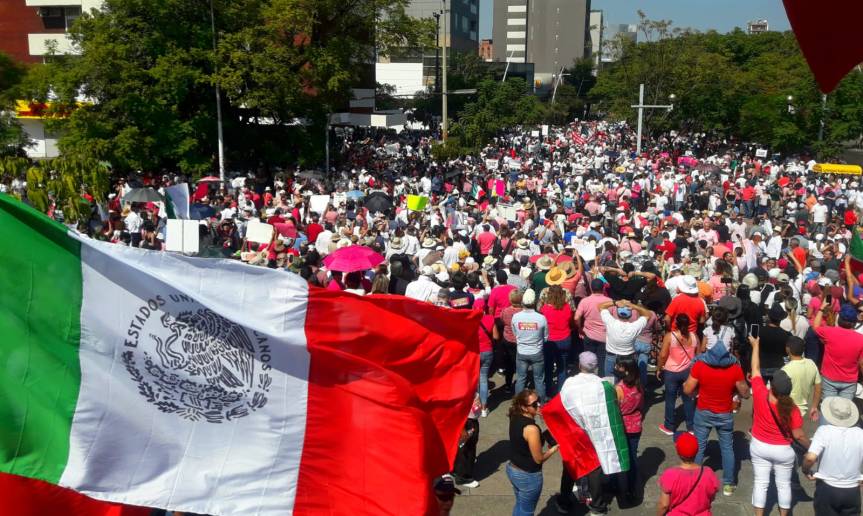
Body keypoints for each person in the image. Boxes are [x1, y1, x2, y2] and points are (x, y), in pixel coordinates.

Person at [748, 335, 810, 516]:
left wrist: (756, 346)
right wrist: (811, 448)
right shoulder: (792, 409)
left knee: (761, 483)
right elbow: (798, 435)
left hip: (759, 445)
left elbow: (756, 369)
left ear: (772, 386)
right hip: (783, 450)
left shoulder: (760, 393)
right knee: (784, 485)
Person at [684, 334, 749, 495]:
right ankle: (728, 483)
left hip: (703, 411)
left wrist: (697, 391)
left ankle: (695, 480)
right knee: (727, 448)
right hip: (724, 413)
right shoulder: (735, 368)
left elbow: (687, 389)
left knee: (699, 446)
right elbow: (745, 393)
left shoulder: (700, 366)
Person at [802, 396, 863, 516]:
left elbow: (810, 458)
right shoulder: (860, 433)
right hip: (852, 490)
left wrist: (805, 470)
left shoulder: (824, 431)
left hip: (828, 488)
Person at [507, 389, 559, 516]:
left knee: (520, 505)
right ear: (524, 408)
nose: (539, 405)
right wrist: (554, 449)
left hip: (513, 469)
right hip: (528, 476)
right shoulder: (531, 429)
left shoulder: (515, 416)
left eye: (539, 401)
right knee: (527, 511)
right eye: (535, 404)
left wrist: (540, 415)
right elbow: (538, 459)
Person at [656, 432, 720, 516]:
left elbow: (664, 505)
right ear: (697, 451)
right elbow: (712, 497)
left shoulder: (670, 474)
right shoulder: (709, 473)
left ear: (678, 452)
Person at [658, 313, 700, 435]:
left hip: (671, 371)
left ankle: (669, 426)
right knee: (688, 399)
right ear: (689, 324)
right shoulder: (694, 336)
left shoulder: (670, 336)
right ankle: (691, 427)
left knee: (670, 399)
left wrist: (659, 368)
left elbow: (663, 355)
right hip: (688, 371)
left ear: (675, 323)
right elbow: (698, 355)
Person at [812, 303, 863, 400]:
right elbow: (862, 363)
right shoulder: (861, 339)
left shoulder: (829, 332)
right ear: (855, 322)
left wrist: (822, 308)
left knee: (829, 409)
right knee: (844, 412)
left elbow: (815, 326)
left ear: (838, 319)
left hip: (829, 379)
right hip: (850, 382)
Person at [614, 356, 644, 504]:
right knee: (633, 458)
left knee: (623, 460)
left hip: (623, 426)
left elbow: (615, 409)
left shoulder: (619, 388)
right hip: (636, 424)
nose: (616, 368)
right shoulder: (639, 384)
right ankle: (633, 488)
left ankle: (623, 490)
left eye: (619, 366)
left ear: (625, 370)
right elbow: (641, 405)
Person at [599, 299, 653, 378]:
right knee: (627, 381)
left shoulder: (611, 322)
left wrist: (616, 302)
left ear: (617, 314)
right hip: (628, 358)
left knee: (610, 381)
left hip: (611, 355)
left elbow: (601, 306)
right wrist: (633, 306)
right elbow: (648, 314)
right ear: (630, 315)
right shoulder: (634, 326)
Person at [512, 289, 549, 401]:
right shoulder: (541, 318)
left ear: (523, 302)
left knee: (521, 378)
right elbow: (546, 337)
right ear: (535, 302)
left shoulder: (516, 317)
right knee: (538, 379)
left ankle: (518, 403)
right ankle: (542, 404)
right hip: (536, 352)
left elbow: (515, 334)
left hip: (522, 351)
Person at [538, 283, 572, 397]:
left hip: (550, 341)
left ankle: (548, 391)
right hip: (564, 339)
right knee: (562, 367)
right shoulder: (567, 307)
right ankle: (560, 393)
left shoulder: (545, 309)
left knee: (548, 366)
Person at [574, 278, 612, 370]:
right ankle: (601, 381)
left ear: (591, 288)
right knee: (602, 361)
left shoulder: (585, 301)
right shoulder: (610, 301)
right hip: (604, 336)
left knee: (588, 362)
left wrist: (580, 328)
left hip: (589, 334)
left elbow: (576, 317)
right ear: (603, 288)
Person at [781, 336, 821, 421]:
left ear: (788, 349)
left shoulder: (786, 369)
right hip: (802, 412)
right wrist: (814, 407)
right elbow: (818, 388)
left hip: (788, 411)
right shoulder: (811, 364)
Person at [453, 394, 482, 488]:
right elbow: (456, 408)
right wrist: (462, 428)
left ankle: (456, 470)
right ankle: (462, 477)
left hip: (471, 420)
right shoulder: (462, 387)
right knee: (466, 449)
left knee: (464, 448)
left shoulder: (470, 385)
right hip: (466, 422)